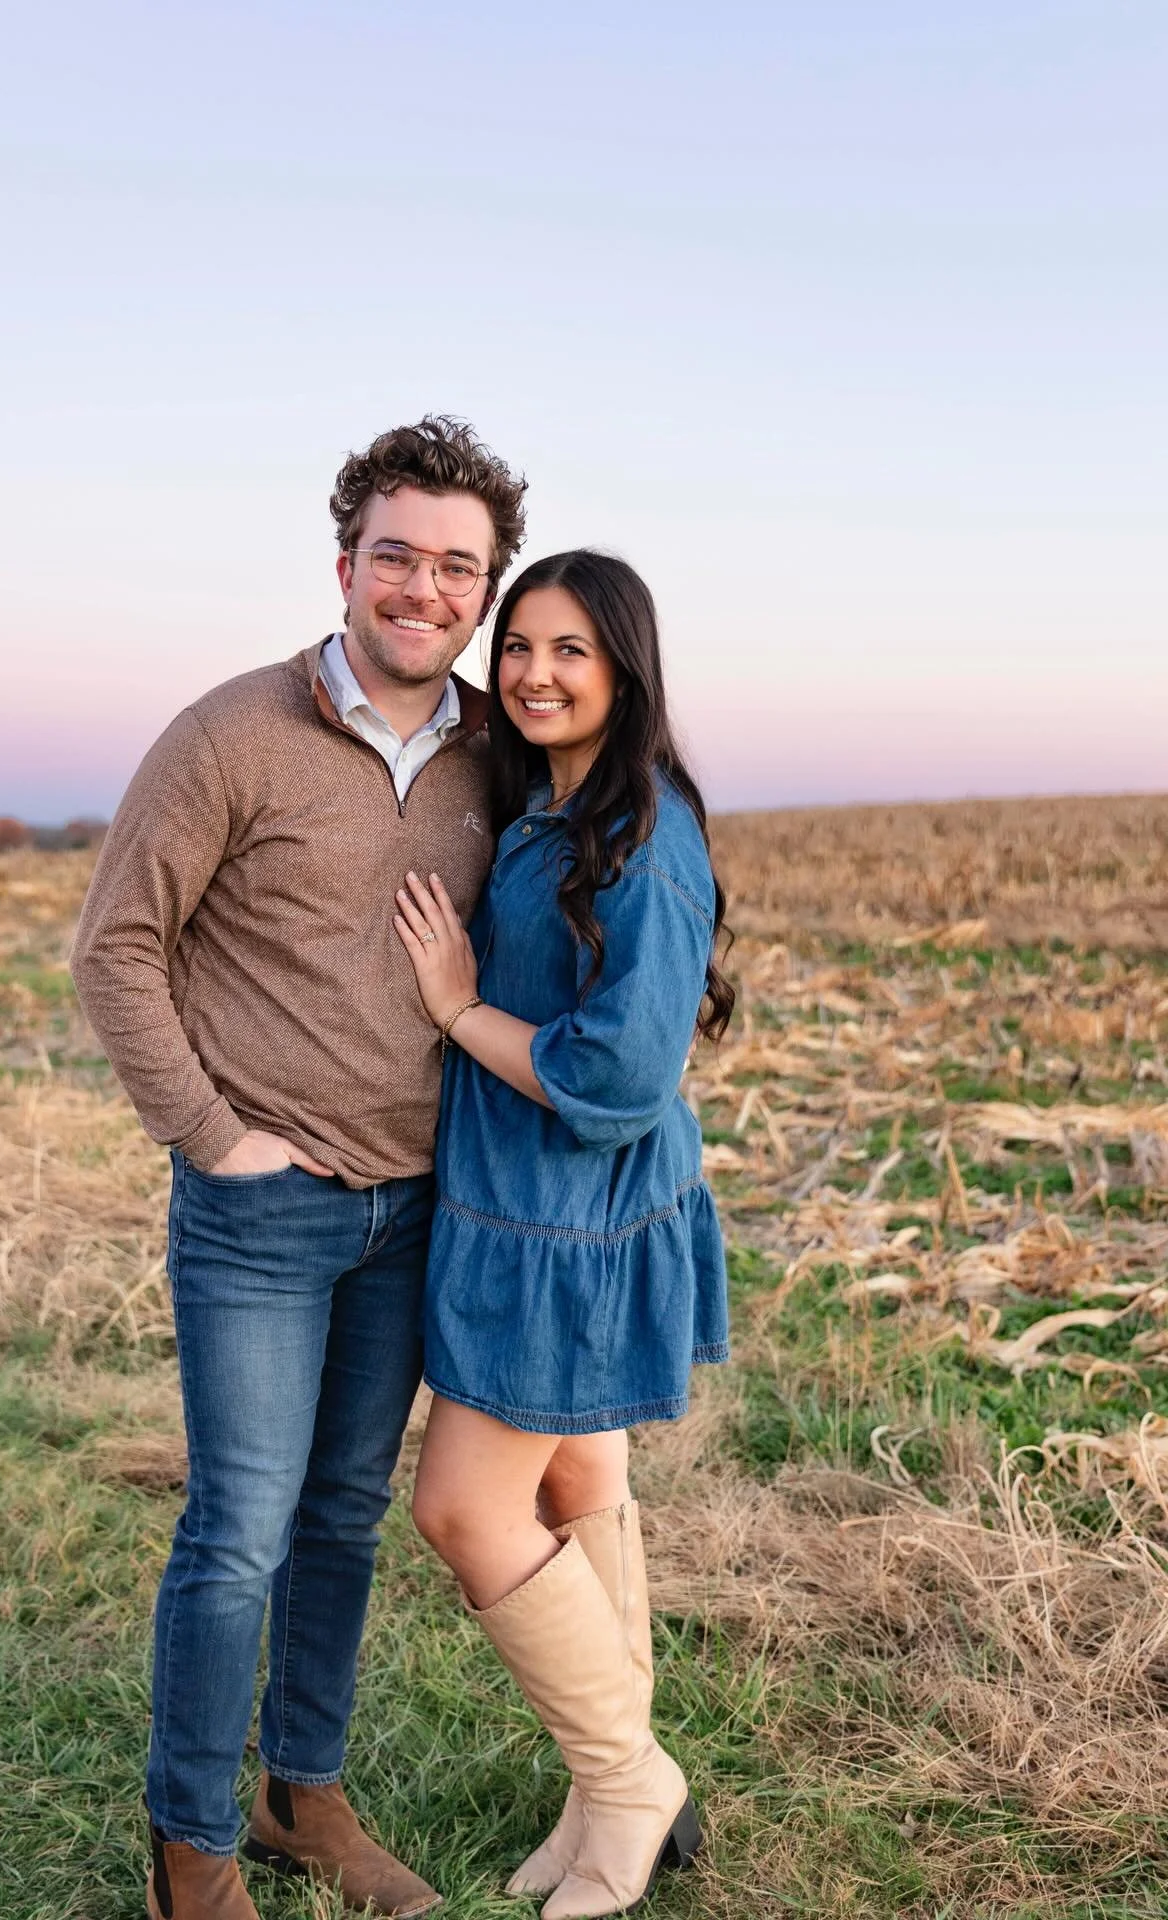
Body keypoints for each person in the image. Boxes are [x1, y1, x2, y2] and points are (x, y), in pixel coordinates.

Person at [69, 417, 527, 1920]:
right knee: (240, 1526)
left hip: (418, 1211)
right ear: (347, 565)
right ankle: (190, 1847)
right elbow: (116, 948)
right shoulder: (230, 735)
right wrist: (216, 1138)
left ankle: (300, 1798)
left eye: (459, 566)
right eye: (397, 554)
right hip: (261, 1214)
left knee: (341, 1516)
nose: (425, 586)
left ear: (486, 589)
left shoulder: (493, 760)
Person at [392, 550, 735, 1920]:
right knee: (574, 1486)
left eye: (570, 652)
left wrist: (460, 1007)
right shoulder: (551, 809)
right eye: (517, 645)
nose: (533, 672)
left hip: (571, 1228)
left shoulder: (643, 837)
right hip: (522, 1209)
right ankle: (609, 1806)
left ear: (626, 670)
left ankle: (632, 1776)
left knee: (464, 1507)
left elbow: (621, 1075)